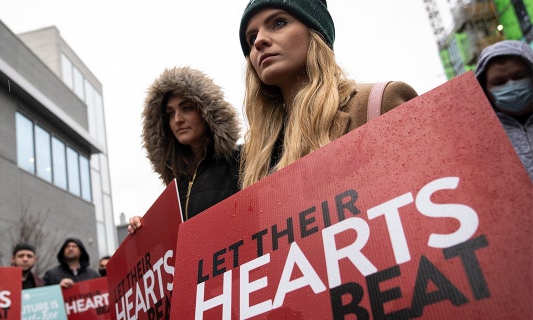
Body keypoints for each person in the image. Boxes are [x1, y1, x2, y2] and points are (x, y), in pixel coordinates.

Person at [237, 0, 418, 188]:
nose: (259, 41)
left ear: (315, 33)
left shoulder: (381, 102)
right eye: (251, 38)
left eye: (279, 23)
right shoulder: (255, 155)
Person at [128, 66, 242, 232]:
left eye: (187, 108)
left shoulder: (240, 160)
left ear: (206, 111)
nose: (177, 119)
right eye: (169, 113)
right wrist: (144, 228)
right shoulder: (175, 183)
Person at [475, 40, 533, 181]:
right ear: (484, 88)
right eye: (499, 82)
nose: (511, 84)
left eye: (518, 77)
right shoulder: (479, 137)